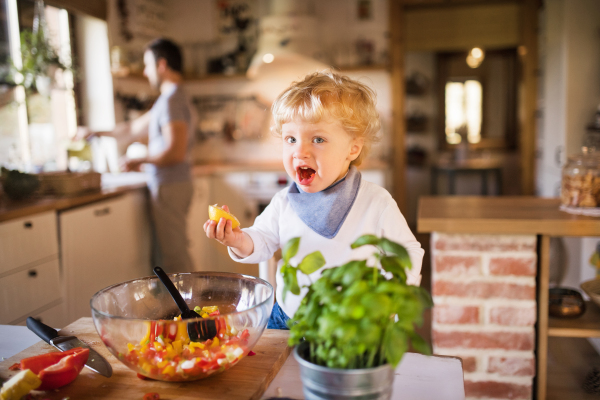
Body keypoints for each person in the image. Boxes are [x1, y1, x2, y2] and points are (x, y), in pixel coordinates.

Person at [203, 71, 424, 329]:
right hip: (288, 319)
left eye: (318, 139)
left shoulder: (376, 202)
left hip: (350, 327)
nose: (300, 151)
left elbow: (408, 254)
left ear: (353, 148)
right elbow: (262, 239)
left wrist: (390, 306)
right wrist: (237, 239)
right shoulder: (284, 202)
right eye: (291, 139)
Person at [78, 38, 195, 273]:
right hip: (173, 184)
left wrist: (139, 160)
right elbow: (131, 129)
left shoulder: (172, 100)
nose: (145, 71)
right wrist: (95, 132)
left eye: (147, 65)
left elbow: (175, 151)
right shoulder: (171, 99)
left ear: (162, 65)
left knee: (174, 258)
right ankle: (181, 308)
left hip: (170, 185)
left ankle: (191, 310)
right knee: (171, 255)